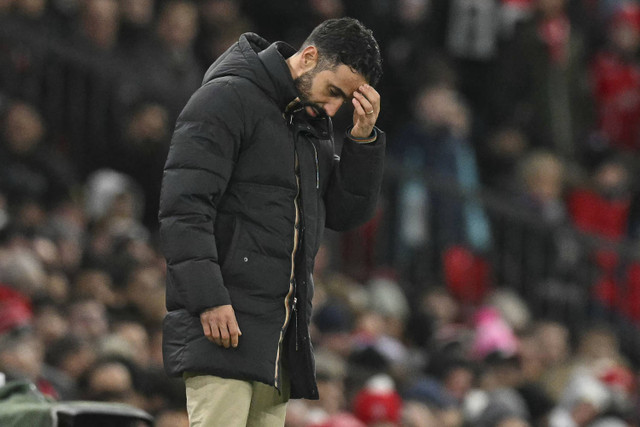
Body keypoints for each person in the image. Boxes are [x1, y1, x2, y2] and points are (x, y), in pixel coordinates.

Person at [158, 17, 385, 426]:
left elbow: (343, 213)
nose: (333, 108)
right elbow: (185, 208)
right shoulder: (226, 98)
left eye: (345, 101)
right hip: (222, 326)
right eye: (333, 91)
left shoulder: (309, 122)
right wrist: (208, 298)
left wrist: (363, 140)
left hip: (279, 337)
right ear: (310, 56)